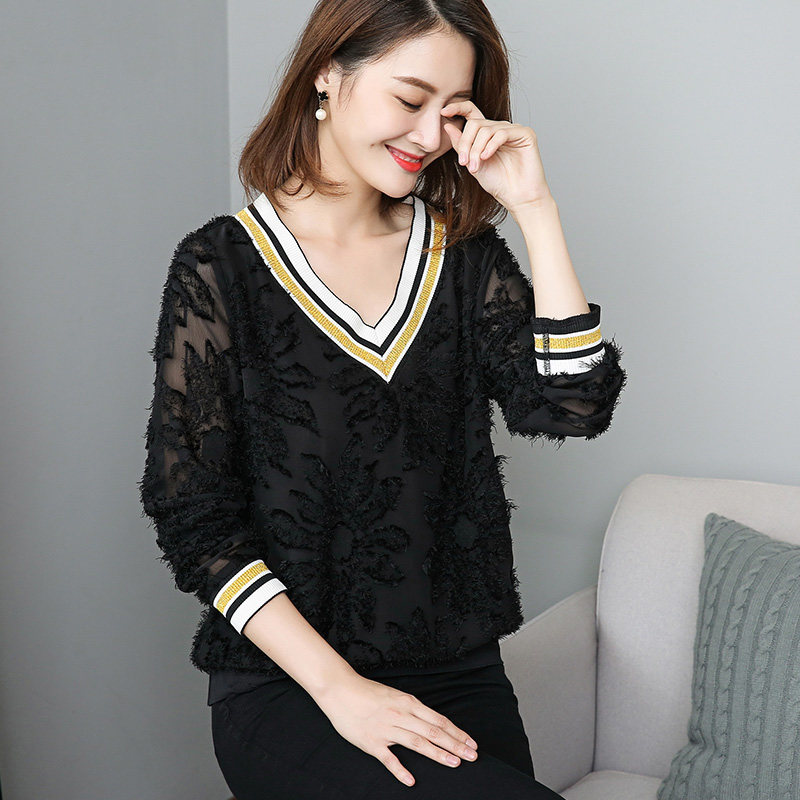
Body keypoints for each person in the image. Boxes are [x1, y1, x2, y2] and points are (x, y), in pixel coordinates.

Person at [139, 1, 627, 797]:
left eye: (454, 110)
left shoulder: (460, 256)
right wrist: (343, 692)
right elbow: (193, 518)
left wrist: (536, 209)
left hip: (462, 677)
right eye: (409, 99)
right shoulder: (221, 267)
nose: (430, 135)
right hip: (293, 689)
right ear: (327, 74)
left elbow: (571, 405)